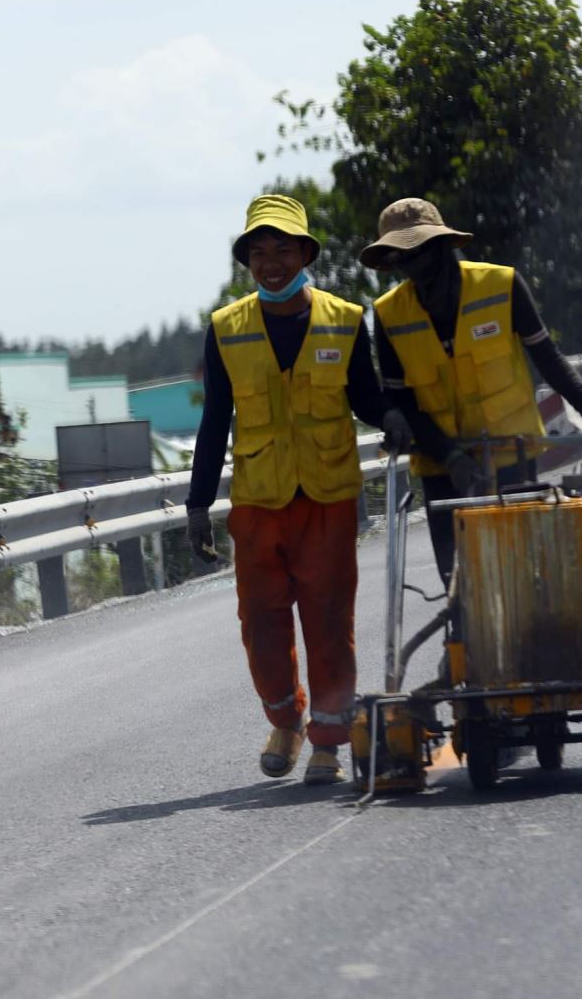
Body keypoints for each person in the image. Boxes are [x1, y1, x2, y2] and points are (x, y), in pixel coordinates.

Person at [186, 194, 413, 786]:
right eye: (257, 253)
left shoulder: (343, 318)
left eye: (282, 249)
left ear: (307, 252)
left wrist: (392, 417)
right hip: (259, 502)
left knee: (328, 619)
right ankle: (285, 721)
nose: (270, 263)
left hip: (328, 497)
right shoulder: (226, 329)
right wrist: (196, 505)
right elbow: (215, 422)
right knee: (260, 624)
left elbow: (363, 396)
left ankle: (330, 742)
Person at [363, 197, 582, 587]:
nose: (412, 264)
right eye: (401, 256)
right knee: (458, 582)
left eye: (418, 250)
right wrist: (451, 456)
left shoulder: (501, 286)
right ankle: (462, 640)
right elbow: (403, 401)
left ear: (441, 246)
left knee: (519, 574)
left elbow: (549, 360)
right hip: (441, 466)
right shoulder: (389, 314)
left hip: (512, 453)